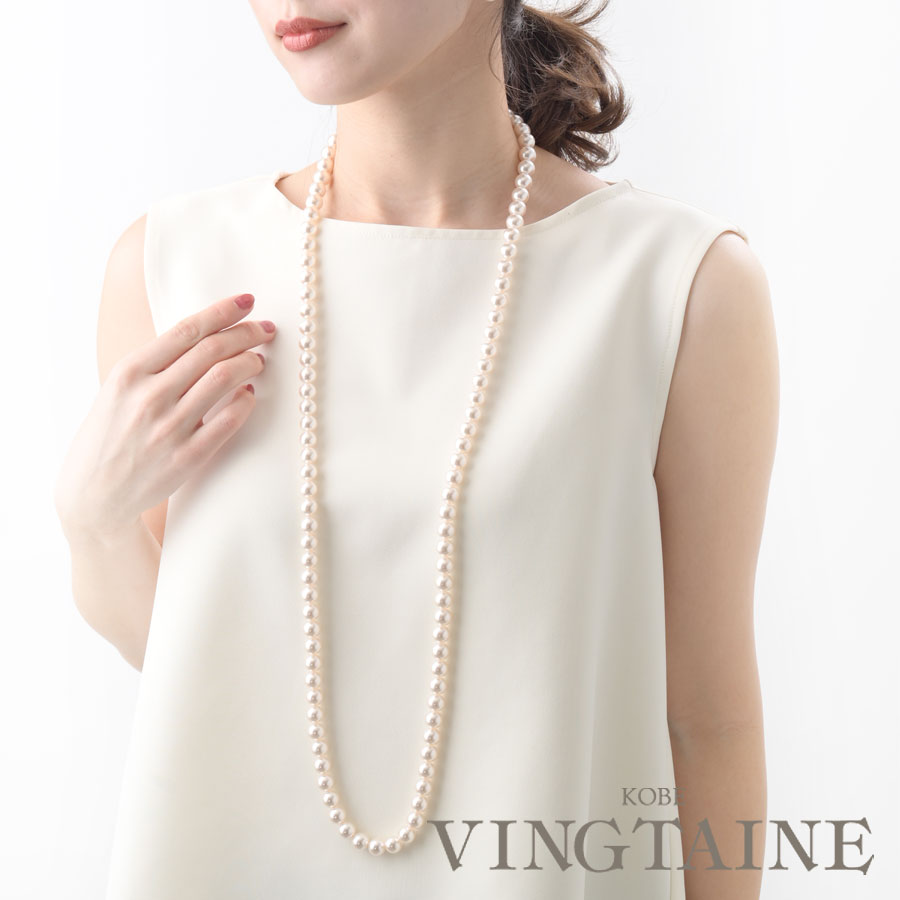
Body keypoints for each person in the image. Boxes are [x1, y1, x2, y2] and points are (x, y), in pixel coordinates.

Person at [54, 1, 778, 898]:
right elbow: (198, 669)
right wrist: (92, 524)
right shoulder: (175, 267)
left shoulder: (677, 286)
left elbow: (705, 722)